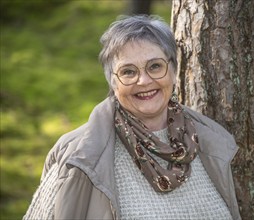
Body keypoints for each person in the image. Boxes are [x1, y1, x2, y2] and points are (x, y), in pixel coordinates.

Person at [24, 15, 241, 220]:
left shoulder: (212, 142)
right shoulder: (77, 155)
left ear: (174, 71)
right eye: (128, 71)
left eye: (155, 66)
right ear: (113, 82)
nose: (144, 81)